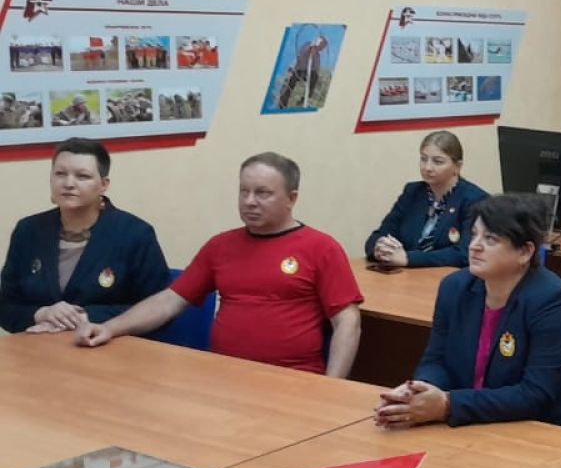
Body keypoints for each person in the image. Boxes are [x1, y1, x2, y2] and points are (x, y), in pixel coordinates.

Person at [77, 153, 364, 376]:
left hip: (294, 378)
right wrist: (110, 328)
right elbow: (169, 301)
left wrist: (332, 385)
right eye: (243, 191)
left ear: (292, 199)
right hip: (223, 374)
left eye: (262, 193)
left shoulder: (321, 247)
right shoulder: (221, 246)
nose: (249, 201)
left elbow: (347, 322)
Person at [373, 194, 561, 435]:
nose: (474, 245)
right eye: (474, 234)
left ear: (525, 252)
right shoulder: (454, 288)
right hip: (480, 424)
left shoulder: (555, 304)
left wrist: (447, 404)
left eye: (490, 239)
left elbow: (536, 395)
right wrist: (419, 392)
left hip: (556, 432)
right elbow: (436, 360)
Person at [1, 139, 168, 335]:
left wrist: (85, 317)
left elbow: (159, 309)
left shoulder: (135, 234)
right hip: (39, 346)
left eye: (82, 176)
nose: (68, 184)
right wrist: (42, 314)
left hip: (111, 346)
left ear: (103, 185)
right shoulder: (28, 230)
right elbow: (6, 307)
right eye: (60, 174)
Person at [366, 131, 487, 269]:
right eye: (423, 159)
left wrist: (409, 259)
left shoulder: (474, 200)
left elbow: (465, 254)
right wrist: (380, 249)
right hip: (406, 276)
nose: (427, 167)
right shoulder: (412, 192)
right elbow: (380, 234)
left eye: (438, 161)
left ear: (457, 167)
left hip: (446, 277)